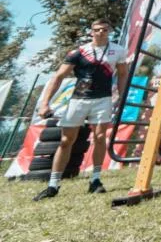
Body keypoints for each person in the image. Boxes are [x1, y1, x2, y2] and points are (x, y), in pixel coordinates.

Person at [33, 19, 128, 200]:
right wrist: (45, 103)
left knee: (100, 138)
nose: (101, 32)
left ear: (109, 32)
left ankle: (95, 180)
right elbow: (58, 77)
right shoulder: (79, 52)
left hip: (103, 99)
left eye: (104, 30)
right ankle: (53, 185)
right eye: (97, 30)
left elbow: (123, 74)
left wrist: (122, 96)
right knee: (66, 140)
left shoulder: (118, 50)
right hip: (78, 100)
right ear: (91, 32)